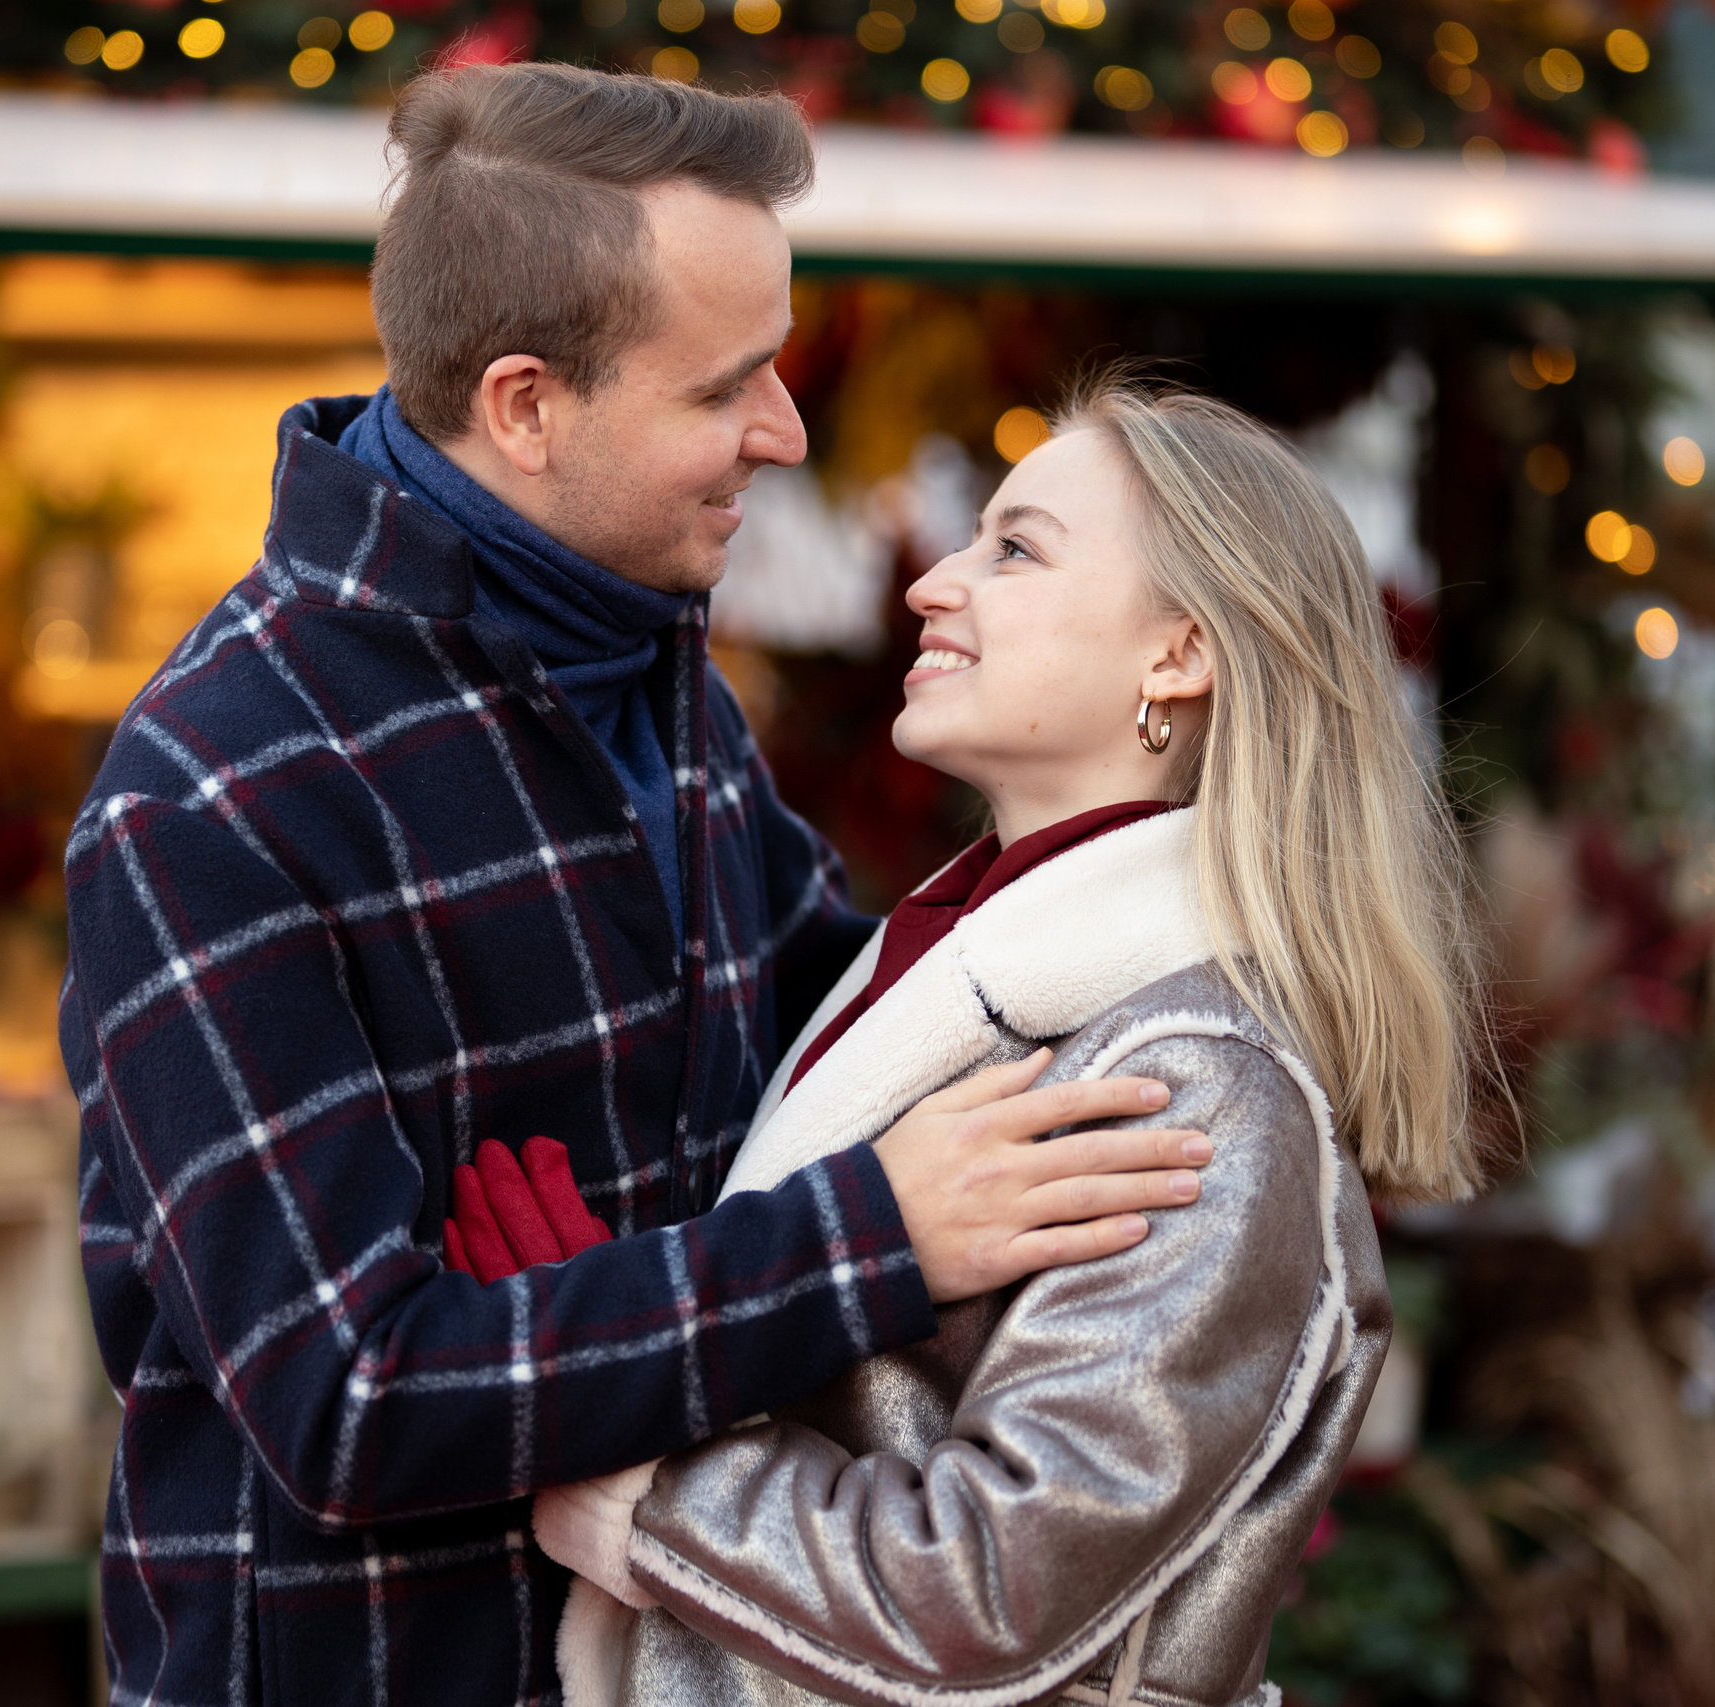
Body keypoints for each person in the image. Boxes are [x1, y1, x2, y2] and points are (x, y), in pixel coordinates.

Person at [59, 69, 1216, 1706]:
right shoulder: (213, 795)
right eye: (725, 387)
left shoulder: (643, 659)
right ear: (526, 405)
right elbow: (347, 1401)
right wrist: (866, 1236)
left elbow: (860, 1018)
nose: (786, 433)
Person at [532, 373, 1499, 1706]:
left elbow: (994, 1584)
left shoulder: (1202, 1084)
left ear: (1182, 651)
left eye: (1016, 549)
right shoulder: (961, 967)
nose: (935, 583)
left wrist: (648, 1491)